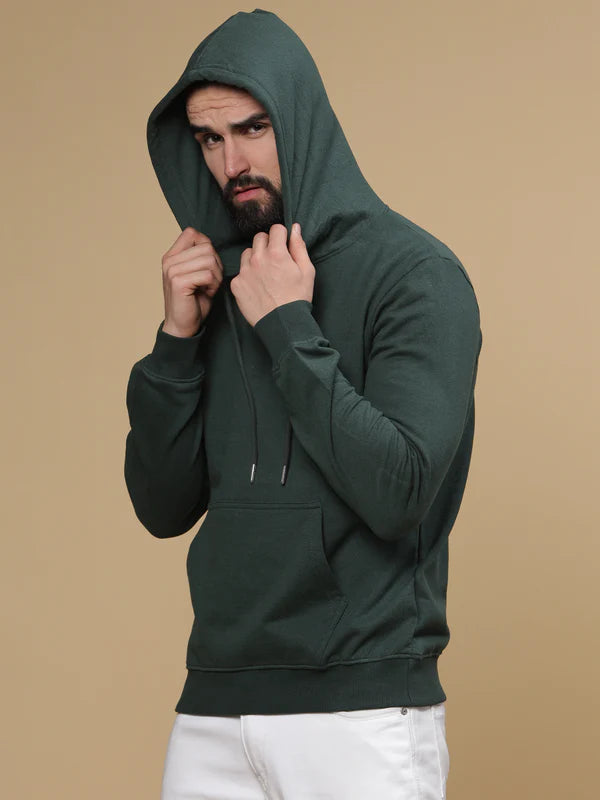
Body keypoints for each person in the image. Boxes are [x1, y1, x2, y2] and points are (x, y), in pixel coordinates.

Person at [124, 9, 482, 800]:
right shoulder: (217, 281)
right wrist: (177, 341)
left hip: (359, 708)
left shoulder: (416, 275)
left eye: (252, 129)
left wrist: (287, 326)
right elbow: (161, 506)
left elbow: (399, 491)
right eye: (208, 138)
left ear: (299, 117)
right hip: (214, 708)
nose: (231, 163)